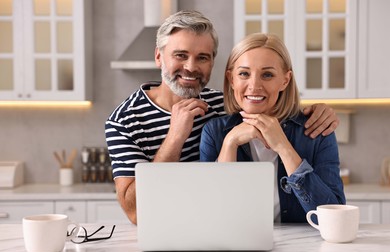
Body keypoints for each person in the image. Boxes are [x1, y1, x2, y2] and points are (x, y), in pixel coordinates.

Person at [105, 10, 340, 225]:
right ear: (159, 56)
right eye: (180, 55)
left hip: (221, 232)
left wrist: (318, 111)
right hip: (170, 229)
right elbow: (137, 213)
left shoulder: (223, 105)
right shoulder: (124, 121)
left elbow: (264, 101)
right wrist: (175, 137)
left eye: (202, 57)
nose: (190, 67)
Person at [199, 33, 346, 223]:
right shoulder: (215, 132)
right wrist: (230, 143)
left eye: (267, 75)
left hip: (303, 250)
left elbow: (334, 218)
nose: (254, 86)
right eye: (244, 74)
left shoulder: (317, 130)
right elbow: (213, 217)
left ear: (285, 80)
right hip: (241, 248)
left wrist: (283, 147)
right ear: (231, 78)